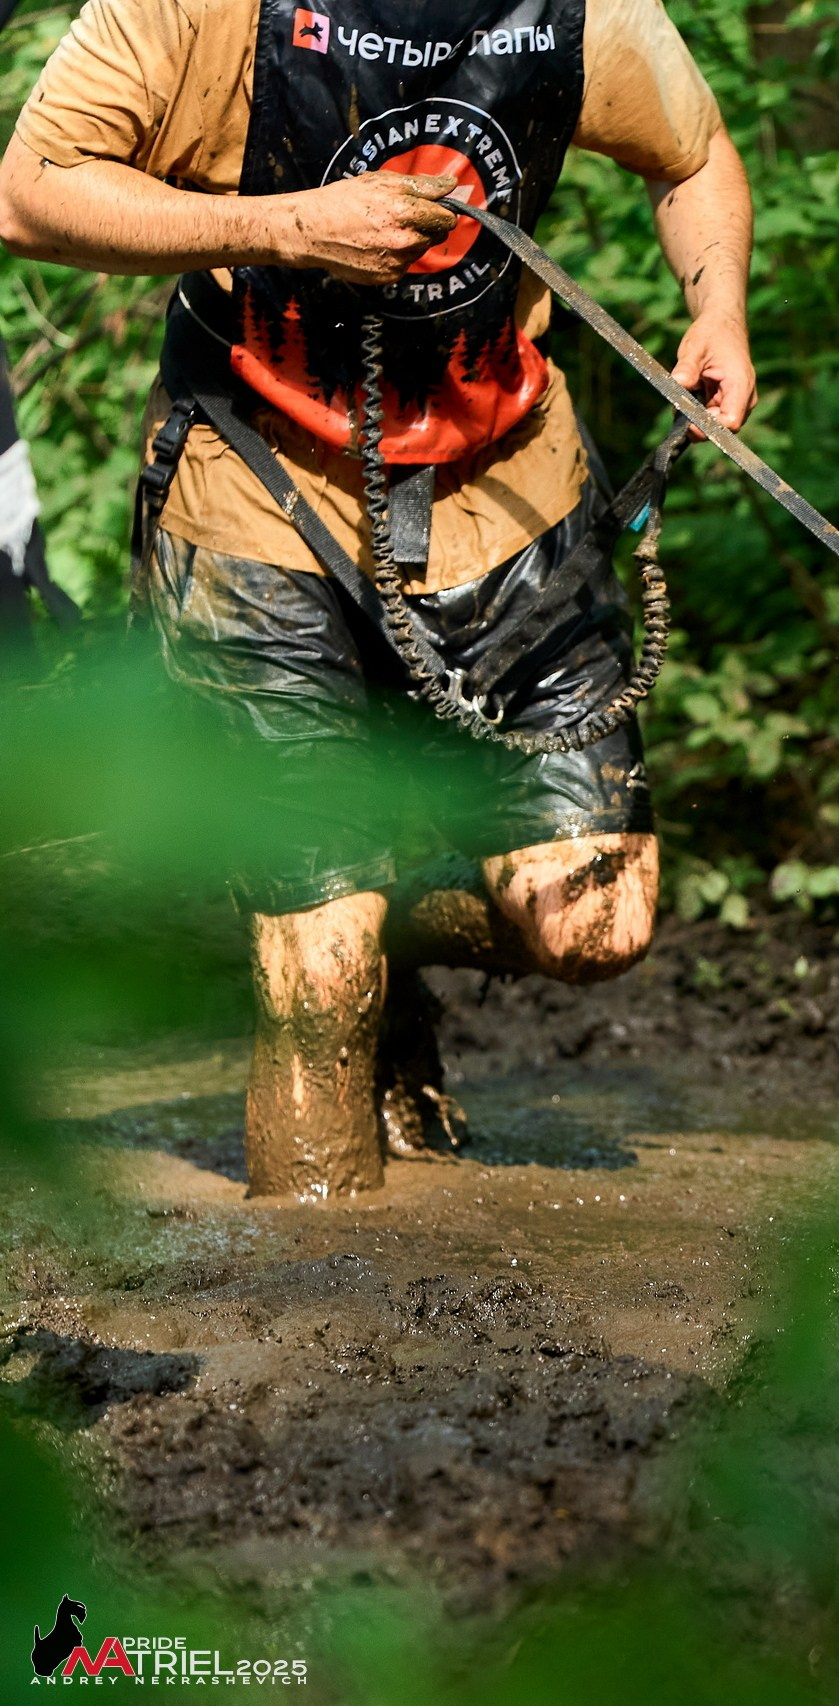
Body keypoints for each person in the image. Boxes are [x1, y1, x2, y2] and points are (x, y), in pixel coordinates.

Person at [0, 0, 756, 1194]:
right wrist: (291, 226)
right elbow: (28, 191)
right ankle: (317, 1045)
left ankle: (362, 897)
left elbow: (697, 154)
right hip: (256, 481)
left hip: (504, 478)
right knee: (322, 982)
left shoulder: (575, 12)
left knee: (597, 926)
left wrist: (717, 308)